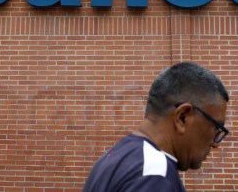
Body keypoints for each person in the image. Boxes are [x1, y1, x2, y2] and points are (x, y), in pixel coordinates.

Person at [83, 62, 230, 192]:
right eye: (216, 127)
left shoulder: (114, 157)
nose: (215, 143)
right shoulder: (154, 172)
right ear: (182, 117)